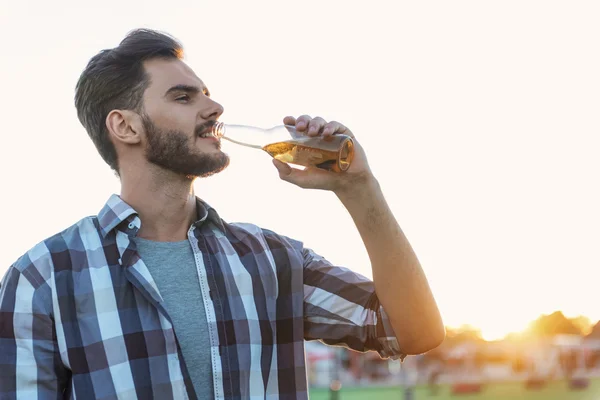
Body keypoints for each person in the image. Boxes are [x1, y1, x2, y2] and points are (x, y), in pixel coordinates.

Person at [0, 29, 444, 399]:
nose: (214, 109)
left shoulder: (272, 259)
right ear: (126, 126)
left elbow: (412, 332)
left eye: (207, 95)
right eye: (182, 97)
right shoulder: (44, 277)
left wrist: (359, 188)